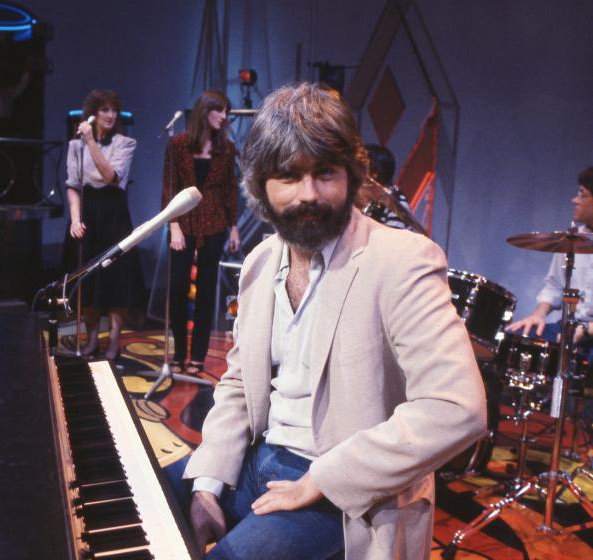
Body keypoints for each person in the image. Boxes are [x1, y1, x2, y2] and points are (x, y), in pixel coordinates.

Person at [168, 83, 487, 559]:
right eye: (288, 177)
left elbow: (457, 408)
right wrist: (208, 483)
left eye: (325, 173)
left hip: (346, 487)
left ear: (351, 176)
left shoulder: (403, 260)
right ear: (260, 186)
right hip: (260, 456)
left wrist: (323, 478)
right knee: (139, 495)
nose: (309, 194)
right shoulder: (259, 262)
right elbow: (237, 383)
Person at [161, 90, 240, 374]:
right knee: (179, 286)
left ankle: (197, 357)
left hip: (215, 222)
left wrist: (233, 227)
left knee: (207, 289)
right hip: (183, 220)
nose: (224, 116)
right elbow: (169, 187)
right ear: (205, 111)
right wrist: (173, 226)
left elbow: (231, 189)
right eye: (219, 110)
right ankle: (179, 352)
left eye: (226, 112)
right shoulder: (178, 144)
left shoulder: (226, 148)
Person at [62, 89, 142, 361]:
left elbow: (110, 176)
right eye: (104, 110)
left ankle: (115, 339)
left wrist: (90, 142)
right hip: (87, 213)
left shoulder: (125, 143)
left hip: (114, 213)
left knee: (115, 280)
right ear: (93, 113)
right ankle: (92, 337)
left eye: (113, 110)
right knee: (87, 280)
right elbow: (72, 186)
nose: (110, 115)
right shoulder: (75, 146)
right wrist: (74, 219)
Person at [507, 167, 593, 343]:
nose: (574, 200)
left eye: (582, 195)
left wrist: (585, 333)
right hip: (570, 326)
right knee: (517, 338)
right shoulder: (571, 241)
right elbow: (554, 286)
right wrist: (538, 315)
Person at [362, 143, 414, 231]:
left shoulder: (396, 201)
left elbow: (393, 239)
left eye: (361, 166)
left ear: (375, 173)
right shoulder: (369, 200)